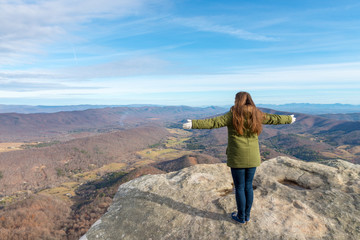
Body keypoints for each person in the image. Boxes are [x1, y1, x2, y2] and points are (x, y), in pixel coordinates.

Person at [182, 91, 296, 224]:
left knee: (240, 187)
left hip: (237, 158)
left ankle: (241, 217)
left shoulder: (233, 114)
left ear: (237, 100)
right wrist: (289, 119)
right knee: (248, 186)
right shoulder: (257, 114)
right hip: (253, 157)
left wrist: (194, 124)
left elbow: (213, 122)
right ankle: (246, 215)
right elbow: (273, 119)